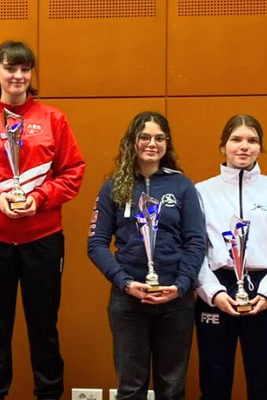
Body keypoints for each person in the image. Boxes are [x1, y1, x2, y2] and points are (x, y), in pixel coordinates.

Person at [0, 40, 85, 400]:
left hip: (43, 239)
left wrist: (38, 200)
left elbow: (73, 172)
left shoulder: (53, 120)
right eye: (11, 68)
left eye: (25, 69)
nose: (19, 76)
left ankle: (50, 394)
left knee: (45, 327)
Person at [87, 111, 205, 400]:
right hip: (128, 300)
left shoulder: (182, 187)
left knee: (172, 388)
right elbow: (97, 243)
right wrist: (125, 282)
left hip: (175, 301)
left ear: (167, 144)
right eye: (145, 137)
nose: (152, 143)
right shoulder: (114, 186)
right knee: (130, 387)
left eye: (159, 138)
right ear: (133, 141)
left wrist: (180, 285)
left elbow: (196, 241)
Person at [193, 115, 267, 400]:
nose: (244, 147)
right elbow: (195, 251)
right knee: (214, 384)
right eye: (236, 140)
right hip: (217, 290)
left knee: (264, 384)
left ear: (260, 148)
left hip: (263, 291)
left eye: (252, 141)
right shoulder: (201, 192)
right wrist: (213, 293)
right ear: (222, 146)